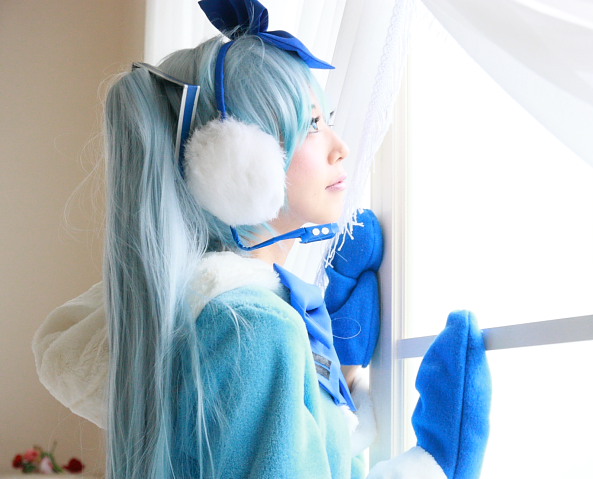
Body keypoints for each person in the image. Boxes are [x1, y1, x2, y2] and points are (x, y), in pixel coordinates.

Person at [33, 1, 491, 478]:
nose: (340, 147)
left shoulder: (216, 317)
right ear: (233, 163)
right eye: (311, 125)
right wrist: (434, 466)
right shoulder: (251, 328)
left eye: (328, 119)